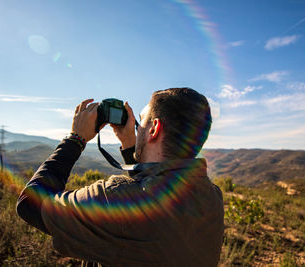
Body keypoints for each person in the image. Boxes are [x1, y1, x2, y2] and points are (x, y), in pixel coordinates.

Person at [16, 87, 224, 266]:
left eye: (141, 122)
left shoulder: (116, 198)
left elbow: (29, 204)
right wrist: (129, 145)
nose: (138, 127)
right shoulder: (213, 197)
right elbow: (152, 187)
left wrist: (76, 139)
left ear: (154, 128)